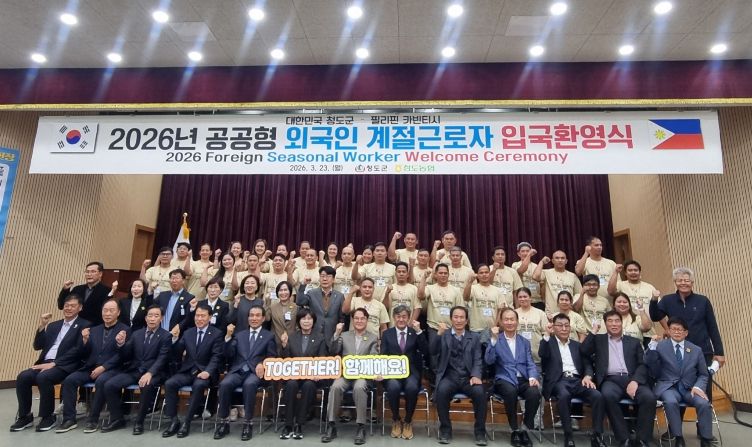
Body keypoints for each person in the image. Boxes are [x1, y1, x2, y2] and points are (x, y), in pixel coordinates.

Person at [11, 295, 90, 433]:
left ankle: (47, 417)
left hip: (66, 365)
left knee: (44, 377)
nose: (68, 308)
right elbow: (38, 346)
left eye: (72, 306)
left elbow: (78, 351)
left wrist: (54, 363)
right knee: (23, 376)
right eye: (66, 305)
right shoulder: (54, 325)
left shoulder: (85, 325)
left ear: (80, 308)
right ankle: (25, 416)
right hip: (45, 363)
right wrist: (42, 326)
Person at [581, 310, 656, 447]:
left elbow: (642, 364)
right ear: (605, 324)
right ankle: (623, 438)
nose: (614, 324)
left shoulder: (633, 342)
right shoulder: (598, 340)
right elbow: (583, 351)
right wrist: (593, 331)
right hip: (610, 380)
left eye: (617, 321)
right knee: (607, 396)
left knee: (649, 397)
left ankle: (642, 439)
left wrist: (635, 381)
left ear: (622, 323)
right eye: (610, 321)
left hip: (632, 379)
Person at [649, 267, 725, 398]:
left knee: (704, 386)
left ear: (692, 282)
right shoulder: (667, 300)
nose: (683, 283)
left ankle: (705, 410)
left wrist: (719, 352)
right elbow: (655, 316)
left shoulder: (703, 301)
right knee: (679, 387)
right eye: (680, 280)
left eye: (687, 280)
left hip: (702, 350)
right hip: (677, 352)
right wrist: (654, 300)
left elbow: (712, 327)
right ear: (675, 282)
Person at [58, 299, 129, 433]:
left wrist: (104, 367)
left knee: (101, 381)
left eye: (111, 310)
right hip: (90, 367)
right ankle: (69, 419)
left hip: (112, 369)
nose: (107, 314)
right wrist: (85, 341)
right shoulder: (94, 329)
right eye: (105, 310)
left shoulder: (125, 330)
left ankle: (93, 420)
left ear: (118, 312)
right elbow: (84, 353)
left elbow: (122, 355)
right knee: (70, 380)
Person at [100, 304, 171, 435]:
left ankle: (139, 422)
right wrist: (121, 343)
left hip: (155, 372)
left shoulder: (166, 336)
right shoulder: (137, 334)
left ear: (161, 318)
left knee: (146, 385)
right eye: (150, 315)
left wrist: (150, 373)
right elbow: (126, 355)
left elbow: (162, 358)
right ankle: (117, 419)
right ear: (145, 318)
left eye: (156, 316)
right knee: (110, 385)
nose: (152, 319)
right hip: (135, 370)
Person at [539, 313, 607, 447]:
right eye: (560, 325)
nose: (564, 329)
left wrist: (588, 376)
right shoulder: (548, 343)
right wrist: (547, 334)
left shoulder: (576, 345)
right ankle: (568, 435)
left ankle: (597, 436)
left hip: (578, 380)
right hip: (559, 380)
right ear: (553, 327)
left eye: (566, 326)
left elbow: (587, 363)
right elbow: (542, 353)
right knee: (564, 395)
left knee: (598, 396)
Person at [645, 317, 714, 447]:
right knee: (670, 402)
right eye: (673, 329)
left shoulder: (696, 350)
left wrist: (698, 387)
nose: (676, 332)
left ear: (686, 333)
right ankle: (678, 437)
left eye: (680, 329)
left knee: (703, 403)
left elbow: (703, 374)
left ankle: (706, 439)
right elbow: (649, 365)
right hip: (668, 387)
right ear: (669, 331)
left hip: (690, 388)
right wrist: (652, 348)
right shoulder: (660, 346)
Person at [162, 303, 224, 438]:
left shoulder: (216, 334)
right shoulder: (188, 332)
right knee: (170, 383)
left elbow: (216, 356)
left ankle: (187, 422)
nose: (199, 319)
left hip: (205, 372)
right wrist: (174, 339)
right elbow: (177, 352)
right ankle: (174, 420)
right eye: (197, 315)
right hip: (188, 370)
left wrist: (208, 371)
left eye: (203, 316)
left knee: (199, 385)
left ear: (210, 317)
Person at [214, 305, 276, 441]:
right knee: (224, 384)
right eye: (251, 315)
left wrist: (263, 363)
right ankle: (224, 422)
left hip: (256, 372)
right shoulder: (239, 334)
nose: (254, 318)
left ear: (263, 318)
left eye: (257, 315)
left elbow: (272, 356)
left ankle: (248, 423)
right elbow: (228, 354)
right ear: (248, 318)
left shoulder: (269, 336)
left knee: (249, 384)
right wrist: (228, 337)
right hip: (238, 370)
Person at [322, 308, 378, 445]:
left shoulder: (373, 337)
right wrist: (336, 333)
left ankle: (361, 427)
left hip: (362, 375)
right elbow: (333, 351)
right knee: (335, 387)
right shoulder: (344, 335)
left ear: (366, 320)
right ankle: (331, 425)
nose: (359, 321)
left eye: (362, 318)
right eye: (356, 318)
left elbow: (374, 357)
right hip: (345, 374)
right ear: (352, 320)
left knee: (359, 387)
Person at [432, 306, 487, 446]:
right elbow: (432, 352)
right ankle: (445, 430)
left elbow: (478, 359)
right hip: (449, 376)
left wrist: (476, 375)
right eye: (455, 317)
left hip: (468, 378)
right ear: (451, 319)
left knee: (480, 392)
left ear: (466, 320)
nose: (458, 320)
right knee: (441, 391)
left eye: (462, 317)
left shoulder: (474, 337)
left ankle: (480, 432)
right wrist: (438, 335)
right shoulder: (444, 335)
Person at [486, 308, 540, 447]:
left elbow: (530, 362)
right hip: (504, 378)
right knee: (510, 392)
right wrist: (493, 339)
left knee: (534, 393)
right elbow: (489, 361)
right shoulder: (496, 339)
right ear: (501, 322)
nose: (509, 322)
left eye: (512, 319)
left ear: (517, 321)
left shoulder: (524, 341)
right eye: (506, 319)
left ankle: (525, 429)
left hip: (523, 379)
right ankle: (514, 430)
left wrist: (533, 377)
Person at [278, 309, 329, 440]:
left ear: (313, 321)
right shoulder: (292, 337)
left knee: (308, 386)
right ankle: (288, 424)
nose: (306, 321)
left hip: (312, 378)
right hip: (294, 376)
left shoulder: (320, 338)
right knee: (291, 385)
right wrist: (284, 345)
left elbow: (322, 358)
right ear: (298, 321)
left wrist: (317, 373)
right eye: (303, 319)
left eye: (309, 319)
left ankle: (300, 424)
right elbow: (285, 359)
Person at [380, 306, 427, 440]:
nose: (401, 319)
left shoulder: (414, 332)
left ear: (409, 318)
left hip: (411, 371)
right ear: (394, 318)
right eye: (398, 316)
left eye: (404, 316)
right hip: (392, 372)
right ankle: (396, 419)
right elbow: (383, 355)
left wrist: (419, 332)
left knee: (412, 387)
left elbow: (426, 351)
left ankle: (407, 421)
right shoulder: (387, 334)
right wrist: (380, 372)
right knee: (393, 387)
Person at [607, 260, 663, 341]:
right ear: (625, 273)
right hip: (630, 332)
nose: (633, 272)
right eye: (630, 270)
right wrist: (616, 272)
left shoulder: (649, 287)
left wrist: (666, 328)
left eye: (635, 270)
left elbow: (658, 310)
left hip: (649, 332)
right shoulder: (621, 285)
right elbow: (611, 291)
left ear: (640, 272)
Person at [419, 264, 464, 352]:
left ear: (448, 275)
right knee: (434, 355)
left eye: (445, 273)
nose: (443, 275)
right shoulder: (430, 288)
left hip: (451, 329)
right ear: (435, 274)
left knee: (451, 355)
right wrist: (424, 278)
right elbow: (420, 295)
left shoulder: (456, 290)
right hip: (434, 328)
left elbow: (460, 310)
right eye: (440, 273)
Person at [296, 266, 345, 340]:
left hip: (332, 334)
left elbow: (342, 317)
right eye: (322, 276)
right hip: (314, 333)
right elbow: (300, 302)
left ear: (333, 279)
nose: (325, 279)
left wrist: (339, 333)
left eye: (328, 276)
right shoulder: (312, 293)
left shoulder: (339, 296)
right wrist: (303, 285)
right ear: (319, 278)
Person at [463, 264, 506, 344]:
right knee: (476, 352)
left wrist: (495, 326)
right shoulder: (473, 288)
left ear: (489, 274)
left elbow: (500, 310)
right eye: (481, 273)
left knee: (491, 351)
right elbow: (465, 298)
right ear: (477, 275)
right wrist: (470, 282)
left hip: (492, 330)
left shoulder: (497, 291)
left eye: (486, 272)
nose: (484, 274)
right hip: (476, 330)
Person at [58, 261, 110, 325]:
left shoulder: (106, 291)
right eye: (87, 272)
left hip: (94, 326)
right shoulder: (77, 289)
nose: (89, 274)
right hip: (74, 325)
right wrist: (65, 290)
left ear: (100, 274)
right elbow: (61, 305)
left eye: (93, 271)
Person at [154, 269, 195, 337]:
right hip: (159, 333)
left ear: (183, 281)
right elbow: (152, 308)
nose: (174, 280)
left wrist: (179, 326)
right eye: (172, 278)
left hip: (177, 335)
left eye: (177, 278)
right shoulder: (162, 295)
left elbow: (188, 318)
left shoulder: (189, 298)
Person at [515, 287, 549, 364]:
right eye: (520, 297)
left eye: (525, 296)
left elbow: (546, 334)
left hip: (537, 353)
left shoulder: (540, 313)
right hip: (518, 355)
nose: (522, 299)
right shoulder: (514, 313)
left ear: (530, 298)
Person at [383, 262, 421, 326]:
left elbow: (417, 308)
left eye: (403, 272)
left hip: (408, 325)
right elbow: (385, 307)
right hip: (393, 325)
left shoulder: (414, 288)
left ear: (407, 274)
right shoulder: (390, 288)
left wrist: (410, 324)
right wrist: (387, 293)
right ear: (395, 274)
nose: (401, 274)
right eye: (399, 272)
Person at [512, 242, 544, 310]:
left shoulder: (536, 266)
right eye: (523, 251)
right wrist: (529, 255)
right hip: (522, 300)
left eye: (527, 251)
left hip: (537, 300)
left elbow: (541, 283)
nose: (525, 253)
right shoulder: (515, 265)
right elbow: (521, 270)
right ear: (518, 254)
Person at [265, 280, 298, 347]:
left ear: (290, 292)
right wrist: (268, 302)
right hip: (276, 341)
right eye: (280, 290)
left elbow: (298, 326)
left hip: (292, 342)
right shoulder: (272, 307)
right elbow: (267, 318)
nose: (283, 292)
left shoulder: (296, 307)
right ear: (277, 293)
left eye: (285, 290)